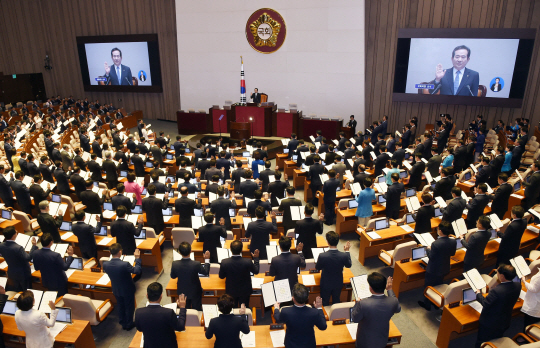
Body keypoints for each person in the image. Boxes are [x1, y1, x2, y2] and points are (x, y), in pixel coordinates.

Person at [474, 264, 521, 348]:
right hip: (505, 320)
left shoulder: (497, 291)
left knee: (482, 342)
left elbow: (485, 303)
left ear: (502, 276)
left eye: (497, 273)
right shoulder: (518, 286)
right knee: (497, 338)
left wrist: (478, 294)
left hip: (489, 323)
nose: (497, 274)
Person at [351, 272, 401, 348]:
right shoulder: (393, 301)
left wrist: (356, 304)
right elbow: (398, 309)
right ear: (385, 286)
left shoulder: (363, 303)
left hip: (364, 342)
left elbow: (355, 319)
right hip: (382, 340)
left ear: (370, 288)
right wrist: (390, 290)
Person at [273, 283, 327, 348]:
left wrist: (276, 308)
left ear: (293, 298)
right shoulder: (314, 312)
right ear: (307, 297)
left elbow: (278, 320)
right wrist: (319, 308)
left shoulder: (285, 311)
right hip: (309, 345)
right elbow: (323, 327)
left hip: (291, 345)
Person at [418, 221, 456, 311]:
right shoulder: (453, 242)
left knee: (428, 286)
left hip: (433, 269)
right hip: (444, 267)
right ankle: (435, 303)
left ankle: (427, 304)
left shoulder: (436, 244)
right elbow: (452, 253)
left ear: (440, 231)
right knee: (438, 284)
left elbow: (431, 257)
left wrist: (428, 249)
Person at [103, 243, 142, 330]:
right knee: (129, 307)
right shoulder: (125, 264)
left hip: (116, 289)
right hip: (127, 289)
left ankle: (122, 321)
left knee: (121, 306)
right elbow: (137, 270)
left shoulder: (105, 264)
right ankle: (129, 324)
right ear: (120, 252)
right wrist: (137, 259)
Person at [134, 283, 187, 348]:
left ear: (147, 296)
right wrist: (182, 308)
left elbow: (139, 329)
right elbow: (180, 327)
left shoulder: (139, 312)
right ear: (161, 296)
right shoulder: (169, 313)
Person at [218, 240, 259, 307]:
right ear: (241, 249)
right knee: (244, 309)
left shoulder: (224, 262)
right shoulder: (247, 261)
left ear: (230, 249)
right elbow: (256, 271)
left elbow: (221, 276)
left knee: (233, 310)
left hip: (231, 291)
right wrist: (256, 259)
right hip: (245, 291)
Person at [315, 231, 352, 306]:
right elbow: (349, 265)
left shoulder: (322, 256)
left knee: (324, 301)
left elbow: (317, 268)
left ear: (327, 242)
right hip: (338, 282)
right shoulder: (343, 255)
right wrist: (347, 251)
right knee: (336, 301)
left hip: (325, 283)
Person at [170, 243, 210, 311]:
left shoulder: (175, 264)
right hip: (195, 292)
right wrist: (206, 260)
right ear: (191, 251)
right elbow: (205, 272)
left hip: (182, 292)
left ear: (179, 252)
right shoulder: (196, 264)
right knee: (196, 309)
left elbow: (173, 276)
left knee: (185, 311)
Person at [0, 226, 37, 291]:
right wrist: (34, 246)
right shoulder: (18, 248)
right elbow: (28, 258)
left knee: (17, 289)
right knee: (26, 290)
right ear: (14, 235)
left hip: (11, 272)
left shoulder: (1, 245)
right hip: (23, 273)